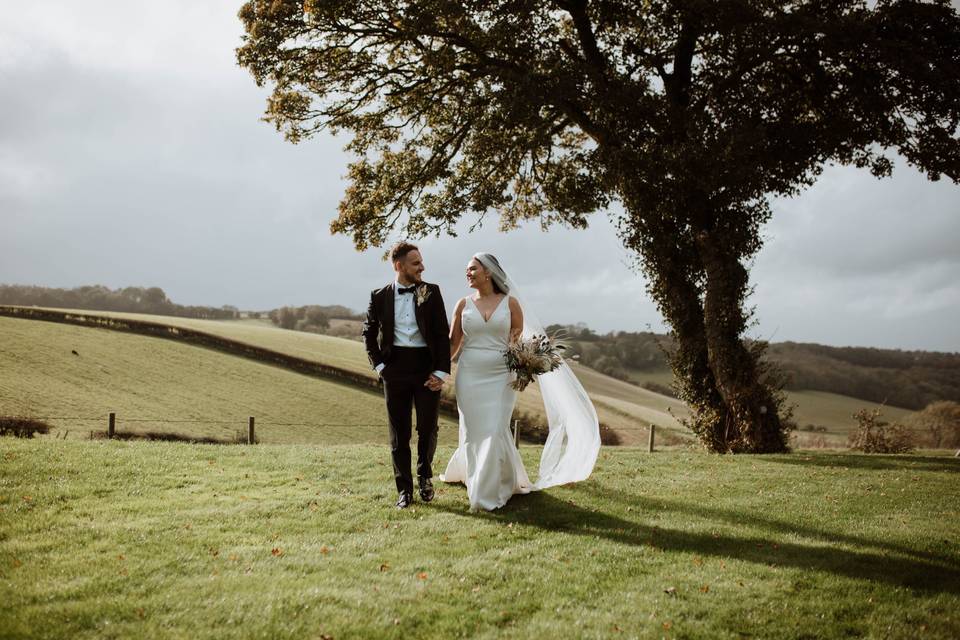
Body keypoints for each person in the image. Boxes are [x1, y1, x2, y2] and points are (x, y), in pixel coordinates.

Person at [440, 253, 601, 511]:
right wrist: (437, 370)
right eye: (467, 270)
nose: (467, 273)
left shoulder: (510, 304)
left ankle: (484, 493)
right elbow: (453, 344)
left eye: (472, 269)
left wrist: (525, 367)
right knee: (473, 431)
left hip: (500, 377)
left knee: (494, 430)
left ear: (488, 272)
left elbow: (516, 345)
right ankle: (476, 477)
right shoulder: (462, 304)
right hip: (469, 375)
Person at [362, 242, 451, 509]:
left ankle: (425, 476)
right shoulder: (378, 296)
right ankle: (405, 491)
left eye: (422, 262)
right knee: (398, 435)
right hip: (395, 370)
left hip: (426, 368)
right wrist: (380, 368)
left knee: (427, 428)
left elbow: (440, 335)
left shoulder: (431, 292)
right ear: (399, 266)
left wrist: (440, 372)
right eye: (416, 263)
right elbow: (368, 335)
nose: (422, 267)